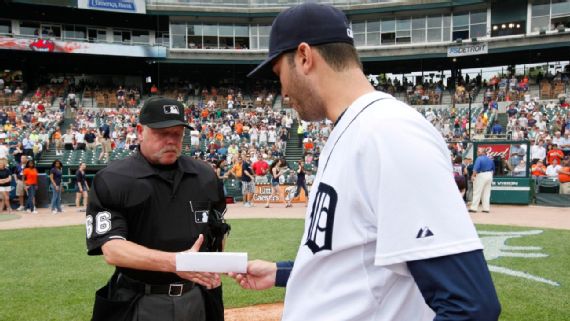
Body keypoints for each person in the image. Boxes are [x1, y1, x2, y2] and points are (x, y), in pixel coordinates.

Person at [229, 4, 500, 321]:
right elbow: (354, 256)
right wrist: (281, 272)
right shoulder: (356, 129)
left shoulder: (388, 132)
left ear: (304, 57)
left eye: (279, 74)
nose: (283, 90)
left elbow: (470, 307)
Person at [86, 97, 229, 321]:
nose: (171, 140)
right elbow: (113, 249)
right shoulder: (114, 179)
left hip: (196, 297)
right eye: (162, 133)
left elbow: (217, 230)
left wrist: (214, 263)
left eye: (178, 133)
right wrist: (176, 263)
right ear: (140, 131)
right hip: (140, 300)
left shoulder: (205, 176)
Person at [469, 148, 495, 213]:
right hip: (489, 174)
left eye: (479, 151)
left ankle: (473, 208)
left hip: (481, 174)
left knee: (477, 192)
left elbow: (475, 169)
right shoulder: (490, 159)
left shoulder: (479, 158)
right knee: (486, 193)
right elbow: (493, 169)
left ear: (483, 152)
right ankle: (486, 208)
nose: (477, 152)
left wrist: (473, 176)